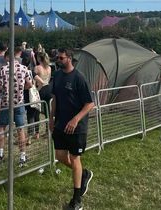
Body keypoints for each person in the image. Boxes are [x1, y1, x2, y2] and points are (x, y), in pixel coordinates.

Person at [50, 48, 94, 210]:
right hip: (60, 124)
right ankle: (84, 174)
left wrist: (75, 119)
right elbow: (54, 98)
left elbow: (90, 103)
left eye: (61, 58)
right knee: (60, 156)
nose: (58, 60)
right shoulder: (58, 75)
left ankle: (76, 201)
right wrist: (51, 118)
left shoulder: (79, 78)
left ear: (69, 58)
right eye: (57, 57)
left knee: (75, 159)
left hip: (77, 127)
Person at [0, 50, 32, 167]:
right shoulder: (23, 68)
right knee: (20, 129)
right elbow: (30, 84)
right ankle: (22, 155)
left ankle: (0, 153)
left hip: (6, 103)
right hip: (19, 102)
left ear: (7, 58)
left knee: (2, 128)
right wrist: (21, 89)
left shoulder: (3, 70)